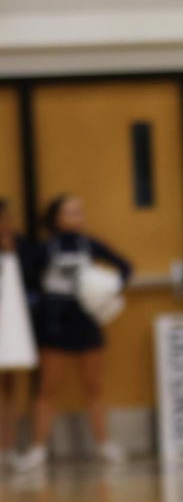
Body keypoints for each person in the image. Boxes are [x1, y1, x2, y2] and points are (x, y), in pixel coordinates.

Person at [14, 194, 133, 473]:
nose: (77, 216)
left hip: (85, 319)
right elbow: (27, 280)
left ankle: (104, 445)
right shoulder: (43, 249)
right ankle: (38, 449)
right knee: (47, 388)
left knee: (94, 387)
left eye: (80, 211)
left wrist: (107, 288)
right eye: (70, 211)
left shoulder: (89, 245)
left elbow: (125, 267)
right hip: (55, 322)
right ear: (56, 217)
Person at [0, 198, 38, 468]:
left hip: (9, 327)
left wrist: (9, 250)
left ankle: (7, 448)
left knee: (9, 388)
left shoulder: (20, 246)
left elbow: (34, 278)